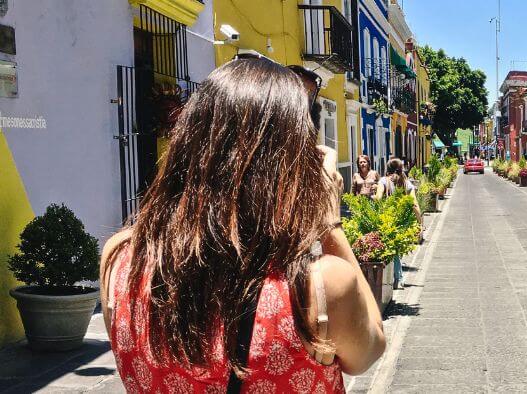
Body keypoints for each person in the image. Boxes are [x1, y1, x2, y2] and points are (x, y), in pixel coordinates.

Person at [99, 57, 385, 393]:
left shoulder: (120, 259)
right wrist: (329, 224)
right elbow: (371, 347)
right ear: (290, 162)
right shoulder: (321, 287)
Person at [374, 158, 421, 289]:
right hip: (404, 220)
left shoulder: (383, 181)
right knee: (397, 249)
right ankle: (398, 278)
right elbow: (415, 204)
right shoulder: (407, 184)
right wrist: (420, 223)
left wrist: (373, 197)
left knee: (393, 249)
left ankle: (398, 278)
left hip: (388, 219)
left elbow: (378, 198)